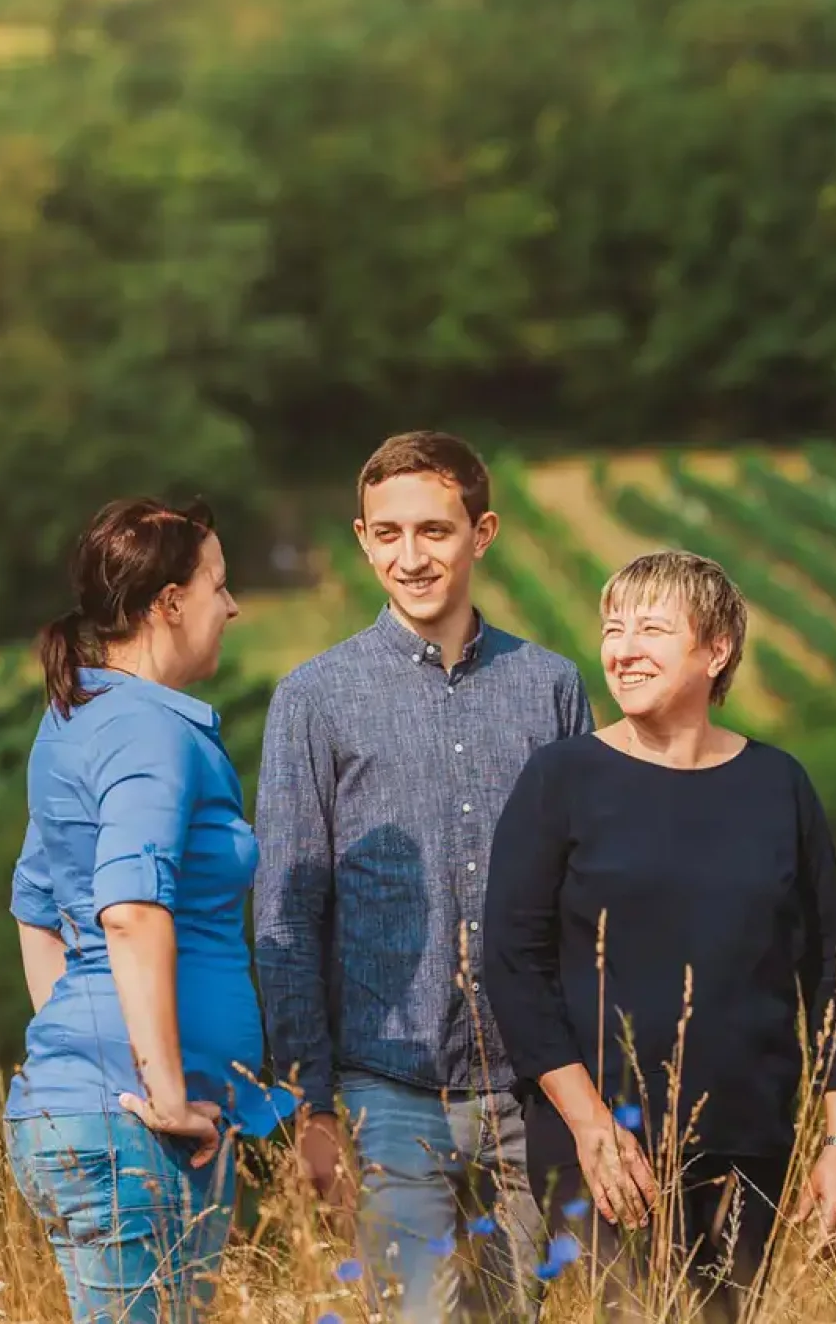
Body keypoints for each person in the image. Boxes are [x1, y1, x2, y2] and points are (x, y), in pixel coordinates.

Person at [482, 551, 836, 1322]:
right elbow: (513, 967)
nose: (623, 649)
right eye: (613, 628)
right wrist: (591, 1128)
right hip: (598, 1142)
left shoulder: (779, 784)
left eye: (652, 629)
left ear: (717, 649)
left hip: (747, 1139)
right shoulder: (560, 779)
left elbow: (829, 968)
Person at [254, 433, 594, 1321]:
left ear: (482, 533)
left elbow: (581, 897)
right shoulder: (313, 699)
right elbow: (289, 910)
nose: (412, 557)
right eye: (389, 534)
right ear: (362, 539)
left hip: (528, 1083)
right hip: (385, 1084)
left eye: (435, 531)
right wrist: (309, 1103)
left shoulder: (552, 688)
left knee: (518, 1313)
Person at [5, 497, 292, 1324]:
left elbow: (36, 911)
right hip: (142, 1129)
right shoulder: (147, 733)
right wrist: (157, 1088)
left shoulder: (79, 719)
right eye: (218, 587)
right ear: (169, 602)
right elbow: (128, 909)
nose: (231, 607)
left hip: (105, 1116)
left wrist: (89, 1044)